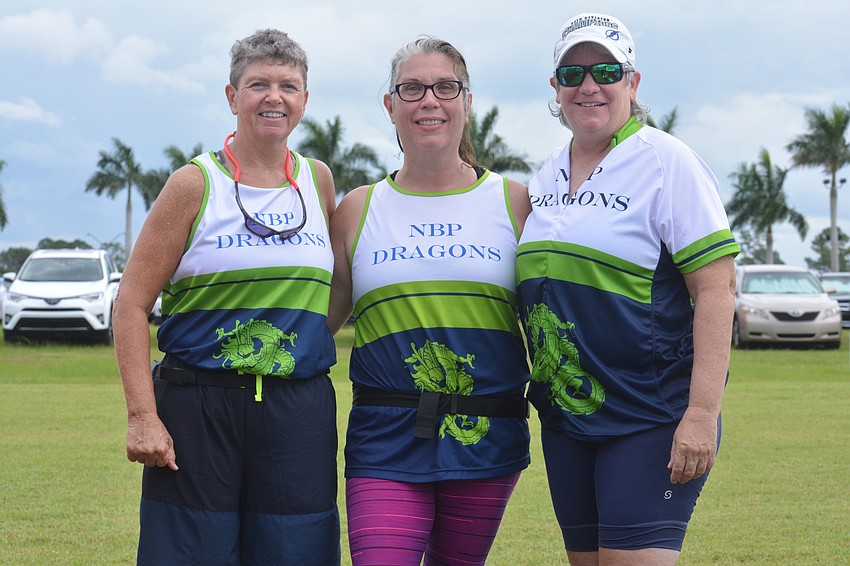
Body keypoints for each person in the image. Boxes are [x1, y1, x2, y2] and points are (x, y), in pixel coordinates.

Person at [516, 13, 740, 565]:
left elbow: (717, 288)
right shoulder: (544, 175)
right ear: (556, 88)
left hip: (650, 416)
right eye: (573, 73)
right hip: (567, 418)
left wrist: (701, 413)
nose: (589, 85)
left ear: (632, 82)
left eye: (606, 70)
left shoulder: (667, 162)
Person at [113, 29, 340, 565]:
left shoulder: (319, 180)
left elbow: (332, 293)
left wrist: (298, 346)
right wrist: (142, 415)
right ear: (232, 96)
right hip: (199, 406)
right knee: (195, 553)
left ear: (304, 99)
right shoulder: (194, 183)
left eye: (289, 85)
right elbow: (130, 303)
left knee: (297, 551)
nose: (274, 97)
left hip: (297, 408)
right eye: (258, 83)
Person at [327, 35, 532, 566]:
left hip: (486, 436)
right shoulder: (356, 208)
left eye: (445, 87)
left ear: (466, 100)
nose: (429, 101)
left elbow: (551, 319)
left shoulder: (515, 203)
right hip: (384, 439)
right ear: (390, 105)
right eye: (412, 88)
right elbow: (317, 323)